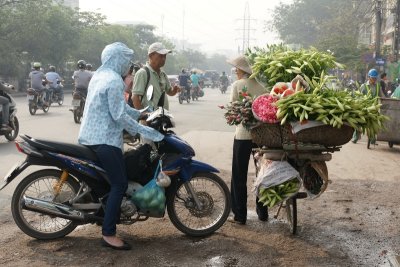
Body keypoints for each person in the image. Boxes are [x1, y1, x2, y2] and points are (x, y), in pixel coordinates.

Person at [78, 42, 164, 250]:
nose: (128, 65)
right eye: (126, 60)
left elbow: (119, 107)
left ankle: (105, 213)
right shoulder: (114, 81)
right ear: (117, 59)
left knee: (109, 183)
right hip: (105, 141)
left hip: (89, 138)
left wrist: (140, 113)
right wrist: (146, 130)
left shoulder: (99, 76)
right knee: (119, 184)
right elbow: (118, 116)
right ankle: (108, 234)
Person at [226, 55, 268, 224]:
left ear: (241, 71)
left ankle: (240, 215)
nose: (235, 71)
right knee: (262, 173)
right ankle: (262, 212)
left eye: (236, 69)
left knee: (239, 174)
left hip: (243, 136)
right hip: (261, 137)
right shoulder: (262, 87)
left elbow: (232, 109)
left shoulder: (237, 85)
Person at [132, 42, 180, 110]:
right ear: (151, 56)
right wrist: (144, 115)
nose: (163, 59)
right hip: (150, 119)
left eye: (165, 56)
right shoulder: (143, 73)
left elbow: (169, 92)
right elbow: (135, 98)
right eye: (161, 56)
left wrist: (174, 91)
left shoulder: (163, 74)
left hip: (163, 117)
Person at [352, 68, 385, 144]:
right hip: (364, 107)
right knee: (358, 121)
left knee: (374, 123)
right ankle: (355, 137)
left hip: (374, 108)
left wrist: (385, 100)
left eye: (375, 78)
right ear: (369, 77)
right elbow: (358, 95)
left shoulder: (378, 86)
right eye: (372, 78)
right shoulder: (364, 86)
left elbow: (382, 95)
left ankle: (373, 140)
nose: (374, 79)